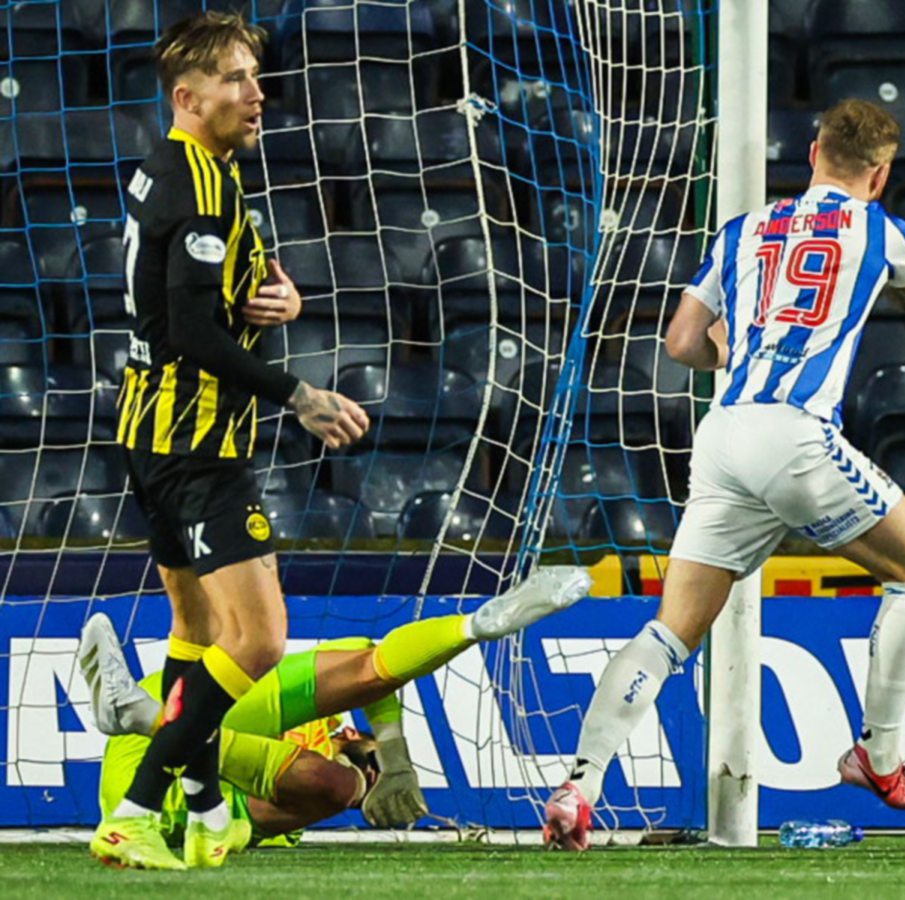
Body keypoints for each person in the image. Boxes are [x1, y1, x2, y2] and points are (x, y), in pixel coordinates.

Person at [543, 99, 905, 851]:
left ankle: (581, 782)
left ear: (812, 152)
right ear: (881, 173)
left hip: (725, 434)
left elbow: (680, 342)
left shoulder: (743, 231)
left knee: (672, 631)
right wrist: (900, 286)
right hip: (796, 435)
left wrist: (738, 355)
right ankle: (880, 752)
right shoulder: (883, 229)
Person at [91, 11, 371, 871]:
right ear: (188, 95)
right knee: (256, 641)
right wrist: (303, 395)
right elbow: (190, 331)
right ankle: (136, 811)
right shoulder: (203, 183)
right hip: (197, 443)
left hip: (147, 431)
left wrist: (271, 299)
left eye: (256, 77)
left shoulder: (168, 172)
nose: (258, 96)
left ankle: (208, 806)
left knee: (195, 635)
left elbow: (194, 297)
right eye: (238, 80)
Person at [83, 567, 594, 849]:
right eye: (364, 755)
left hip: (169, 787)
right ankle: (473, 625)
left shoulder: (307, 805)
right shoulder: (333, 756)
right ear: (353, 738)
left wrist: (371, 778)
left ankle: (142, 716)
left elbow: (269, 813)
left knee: (325, 785)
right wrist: (394, 760)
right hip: (182, 711)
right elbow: (368, 656)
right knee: (358, 690)